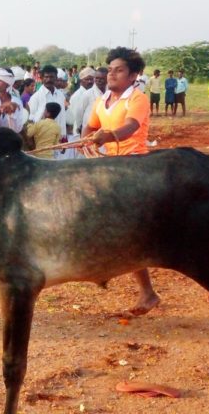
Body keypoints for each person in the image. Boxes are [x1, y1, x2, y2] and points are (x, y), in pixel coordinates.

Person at [81, 46, 159, 316]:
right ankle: (147, 292)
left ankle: (147, 292)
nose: (112, 74)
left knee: (130, 232)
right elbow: (89, 127)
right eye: (110, 70)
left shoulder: (137, 99)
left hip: (135, 165)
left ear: (134, 74)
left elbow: (131, 128)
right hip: (110, 166)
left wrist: (108, 135)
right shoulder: (101, 101)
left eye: (119, 70)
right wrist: (87, 141)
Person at [29, 65, 66, 136]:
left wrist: (64, 135)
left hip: (59, 137)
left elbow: (62, 117)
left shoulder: (60, 95)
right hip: (43, 138)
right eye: (46, 77)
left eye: (51, 77)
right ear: (42, 78)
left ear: (56, 78)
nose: (49, 80)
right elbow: (31, 121)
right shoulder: (36, 97)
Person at [69, 67, 98, 134]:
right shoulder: (77, 95)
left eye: (92, 79)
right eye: (87, 79)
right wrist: (79, 128)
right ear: (81, 81)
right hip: (80, 131)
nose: (90, 81)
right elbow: (75, 116)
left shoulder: (94, 92)